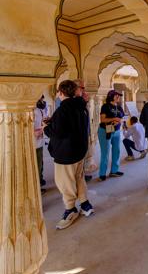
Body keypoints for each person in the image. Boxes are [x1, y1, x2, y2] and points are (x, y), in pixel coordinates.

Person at [44, 80, 93, 229]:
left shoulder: (63, 110)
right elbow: (72, 126)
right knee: (78, 177)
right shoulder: (81, 106)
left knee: (64, 182)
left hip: (66, 153)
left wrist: (47, 127)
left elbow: (58, 133)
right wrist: (54, 122)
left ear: (61, 92)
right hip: (79, 151)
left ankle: (71, 209)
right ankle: (85, 204)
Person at [98, 90, 125, 181]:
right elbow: (103, 120)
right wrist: (114, 118)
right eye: (116, 95)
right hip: (105, 131)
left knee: (116, 151)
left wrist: (120, 120)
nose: (118, 97)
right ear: (111, 96)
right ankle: (102, 173)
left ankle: (114, 171)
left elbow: (122, 117)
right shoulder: (105, 106)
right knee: (105, 153)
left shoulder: (120, 107)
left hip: (117, 131)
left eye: (119, 95)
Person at [34, 96, 47, 192]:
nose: (42, 101)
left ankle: (40, 180)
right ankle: (37, 187)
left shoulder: (40, 110)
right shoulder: (31, 110)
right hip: (33, 142)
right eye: (40, 99)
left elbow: (42, 121)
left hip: (40, 141)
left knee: (40, 163)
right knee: (36, 165)